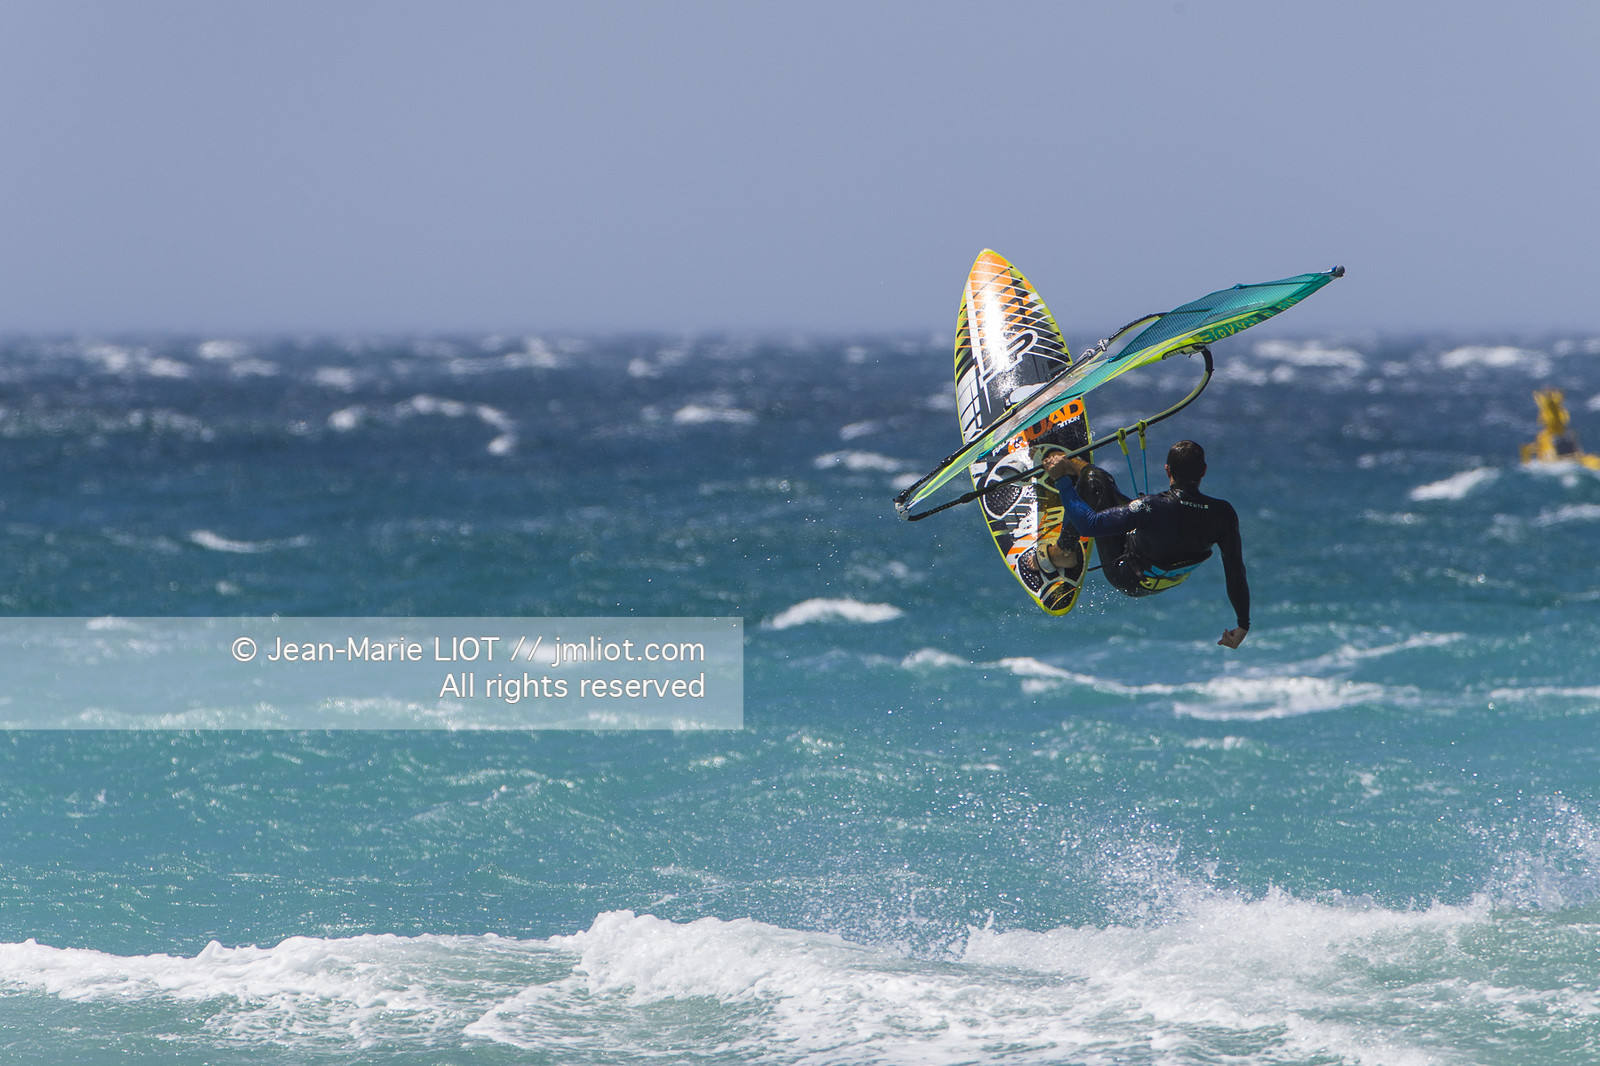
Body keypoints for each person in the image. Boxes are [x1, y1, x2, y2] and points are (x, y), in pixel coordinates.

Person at [1025, 440, 1251, 649]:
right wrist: (1243, 624)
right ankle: (1070, 464)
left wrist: (1062, 483)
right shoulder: (1223, 514)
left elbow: (1089, 525)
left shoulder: (1151, 507)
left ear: (1167, 470)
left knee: (1094, 482)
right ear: (1203, 471)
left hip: (1126, 574)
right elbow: (1235, 570)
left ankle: (1062, 552)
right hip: (1165, 577)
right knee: (1098, 480)